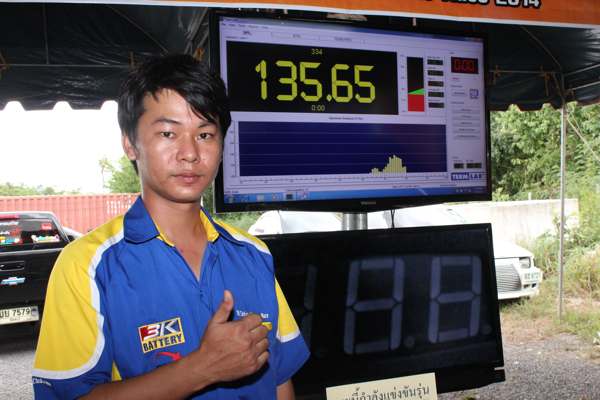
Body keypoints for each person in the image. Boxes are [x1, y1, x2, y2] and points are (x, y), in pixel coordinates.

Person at [32, 54, 310, 399]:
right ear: (130, 144)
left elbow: (280, 379)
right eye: (168, 133)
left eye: (205, 134)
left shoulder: (253, 253)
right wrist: (202, 368)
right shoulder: (86, 266)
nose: (190, 153)